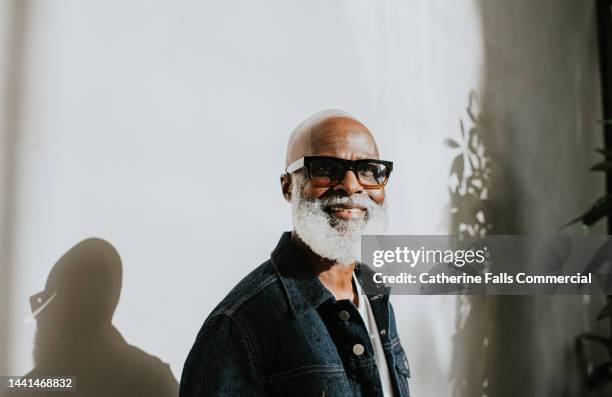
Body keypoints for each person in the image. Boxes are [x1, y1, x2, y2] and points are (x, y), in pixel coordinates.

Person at [180, 110, 410, 396]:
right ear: (288, 187)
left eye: (367, 170)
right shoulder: (239, 324)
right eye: (325, 168)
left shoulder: (375, 294)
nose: (352, 186)